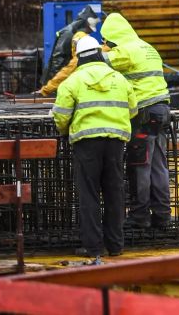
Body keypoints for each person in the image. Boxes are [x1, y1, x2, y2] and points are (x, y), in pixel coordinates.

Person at [50, 36, 137, 262]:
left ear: (79, 57)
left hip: (86, 143)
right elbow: (133, 110)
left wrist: (65, 130)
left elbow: (60, 116)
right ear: (100, 53)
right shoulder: (120, 79)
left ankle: (93, 247)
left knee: (89, 195)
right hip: (116, 143)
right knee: (114, 193)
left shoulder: (72, 82)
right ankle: (116, 245)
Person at [100, 12, 172, 231]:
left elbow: (95, 65)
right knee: (158, 165)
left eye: (106, 41)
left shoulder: (124, 51)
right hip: (162, 109)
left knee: (139, 165)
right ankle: (162, 216)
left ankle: (139, 216)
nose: (106, 44)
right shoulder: (147, 47)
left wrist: (97, 50)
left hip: (144, 113)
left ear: (111, 37)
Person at [39, 5, 102, 96]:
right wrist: (50, 87)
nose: (90, 32)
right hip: (61, 80)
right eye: (90, 29)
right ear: (86, 25)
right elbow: (58, 61)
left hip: (63, 79)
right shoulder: (71, 35)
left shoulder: (74, 33)